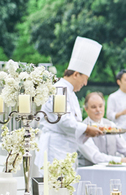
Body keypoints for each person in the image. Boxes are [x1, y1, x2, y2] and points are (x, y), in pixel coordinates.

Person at [38, 36, 104, 167]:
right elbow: (64, 121)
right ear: (76, 74)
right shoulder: (59, 89)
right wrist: (86, 129)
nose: (85, 83)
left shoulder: (70, 92)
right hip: (55, 150)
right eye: (85, 78)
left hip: (65, 149)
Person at [78, 92, 126, 166]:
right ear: (86, 109)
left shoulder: (111, 125)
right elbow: (95, 157)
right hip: (88, 172)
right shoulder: (83, 128)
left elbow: (124, 147)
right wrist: (121, 160)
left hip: (111, 170)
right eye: (93, 107)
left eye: (100, 106)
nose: (98, 110)